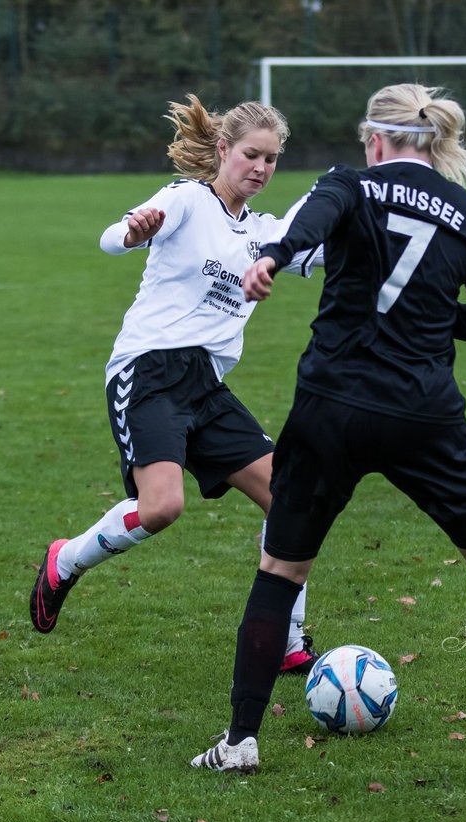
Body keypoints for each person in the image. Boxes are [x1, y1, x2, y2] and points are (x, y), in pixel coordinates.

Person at [189, 83, 466, 773]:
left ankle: (241, 742)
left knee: (281, 569)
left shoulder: (353, 186)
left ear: (374, 141)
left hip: (332, 404)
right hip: (422, 410)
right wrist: (424, 319)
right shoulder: (465, 212)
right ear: (430, 142)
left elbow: (314, 222)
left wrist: (274, 256)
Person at [29, 95, 322, 675]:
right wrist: (136, 231)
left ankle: (287, 639)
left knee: (290, 498)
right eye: (251, 155)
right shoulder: (188, 199)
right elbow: (113, 237)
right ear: (222, 150)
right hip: (150, 372)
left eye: (271, 159)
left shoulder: (266, 234)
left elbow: (333, 242)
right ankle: (65, 560)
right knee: (161, 507)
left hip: (207, 386)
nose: (261, 168)